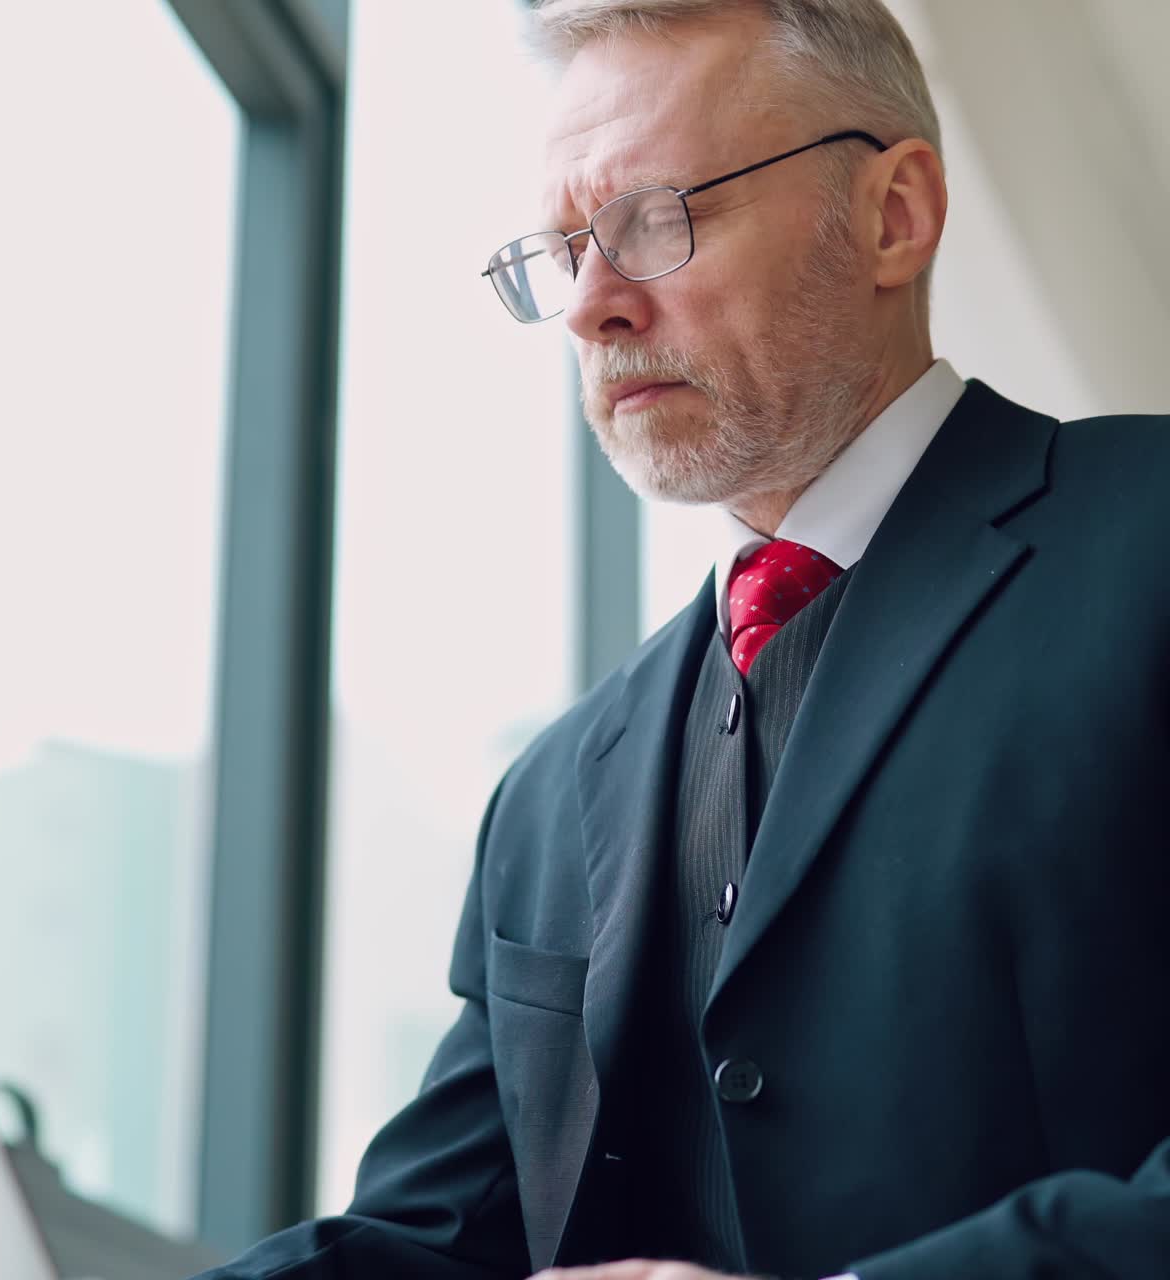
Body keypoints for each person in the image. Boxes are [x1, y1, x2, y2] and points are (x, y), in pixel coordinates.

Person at [194, 2, 1170, 1278]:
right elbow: (427, 1239)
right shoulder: (546, 796)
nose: (589, 308)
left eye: (654, 218)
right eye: (559, 249)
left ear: (892, 215)